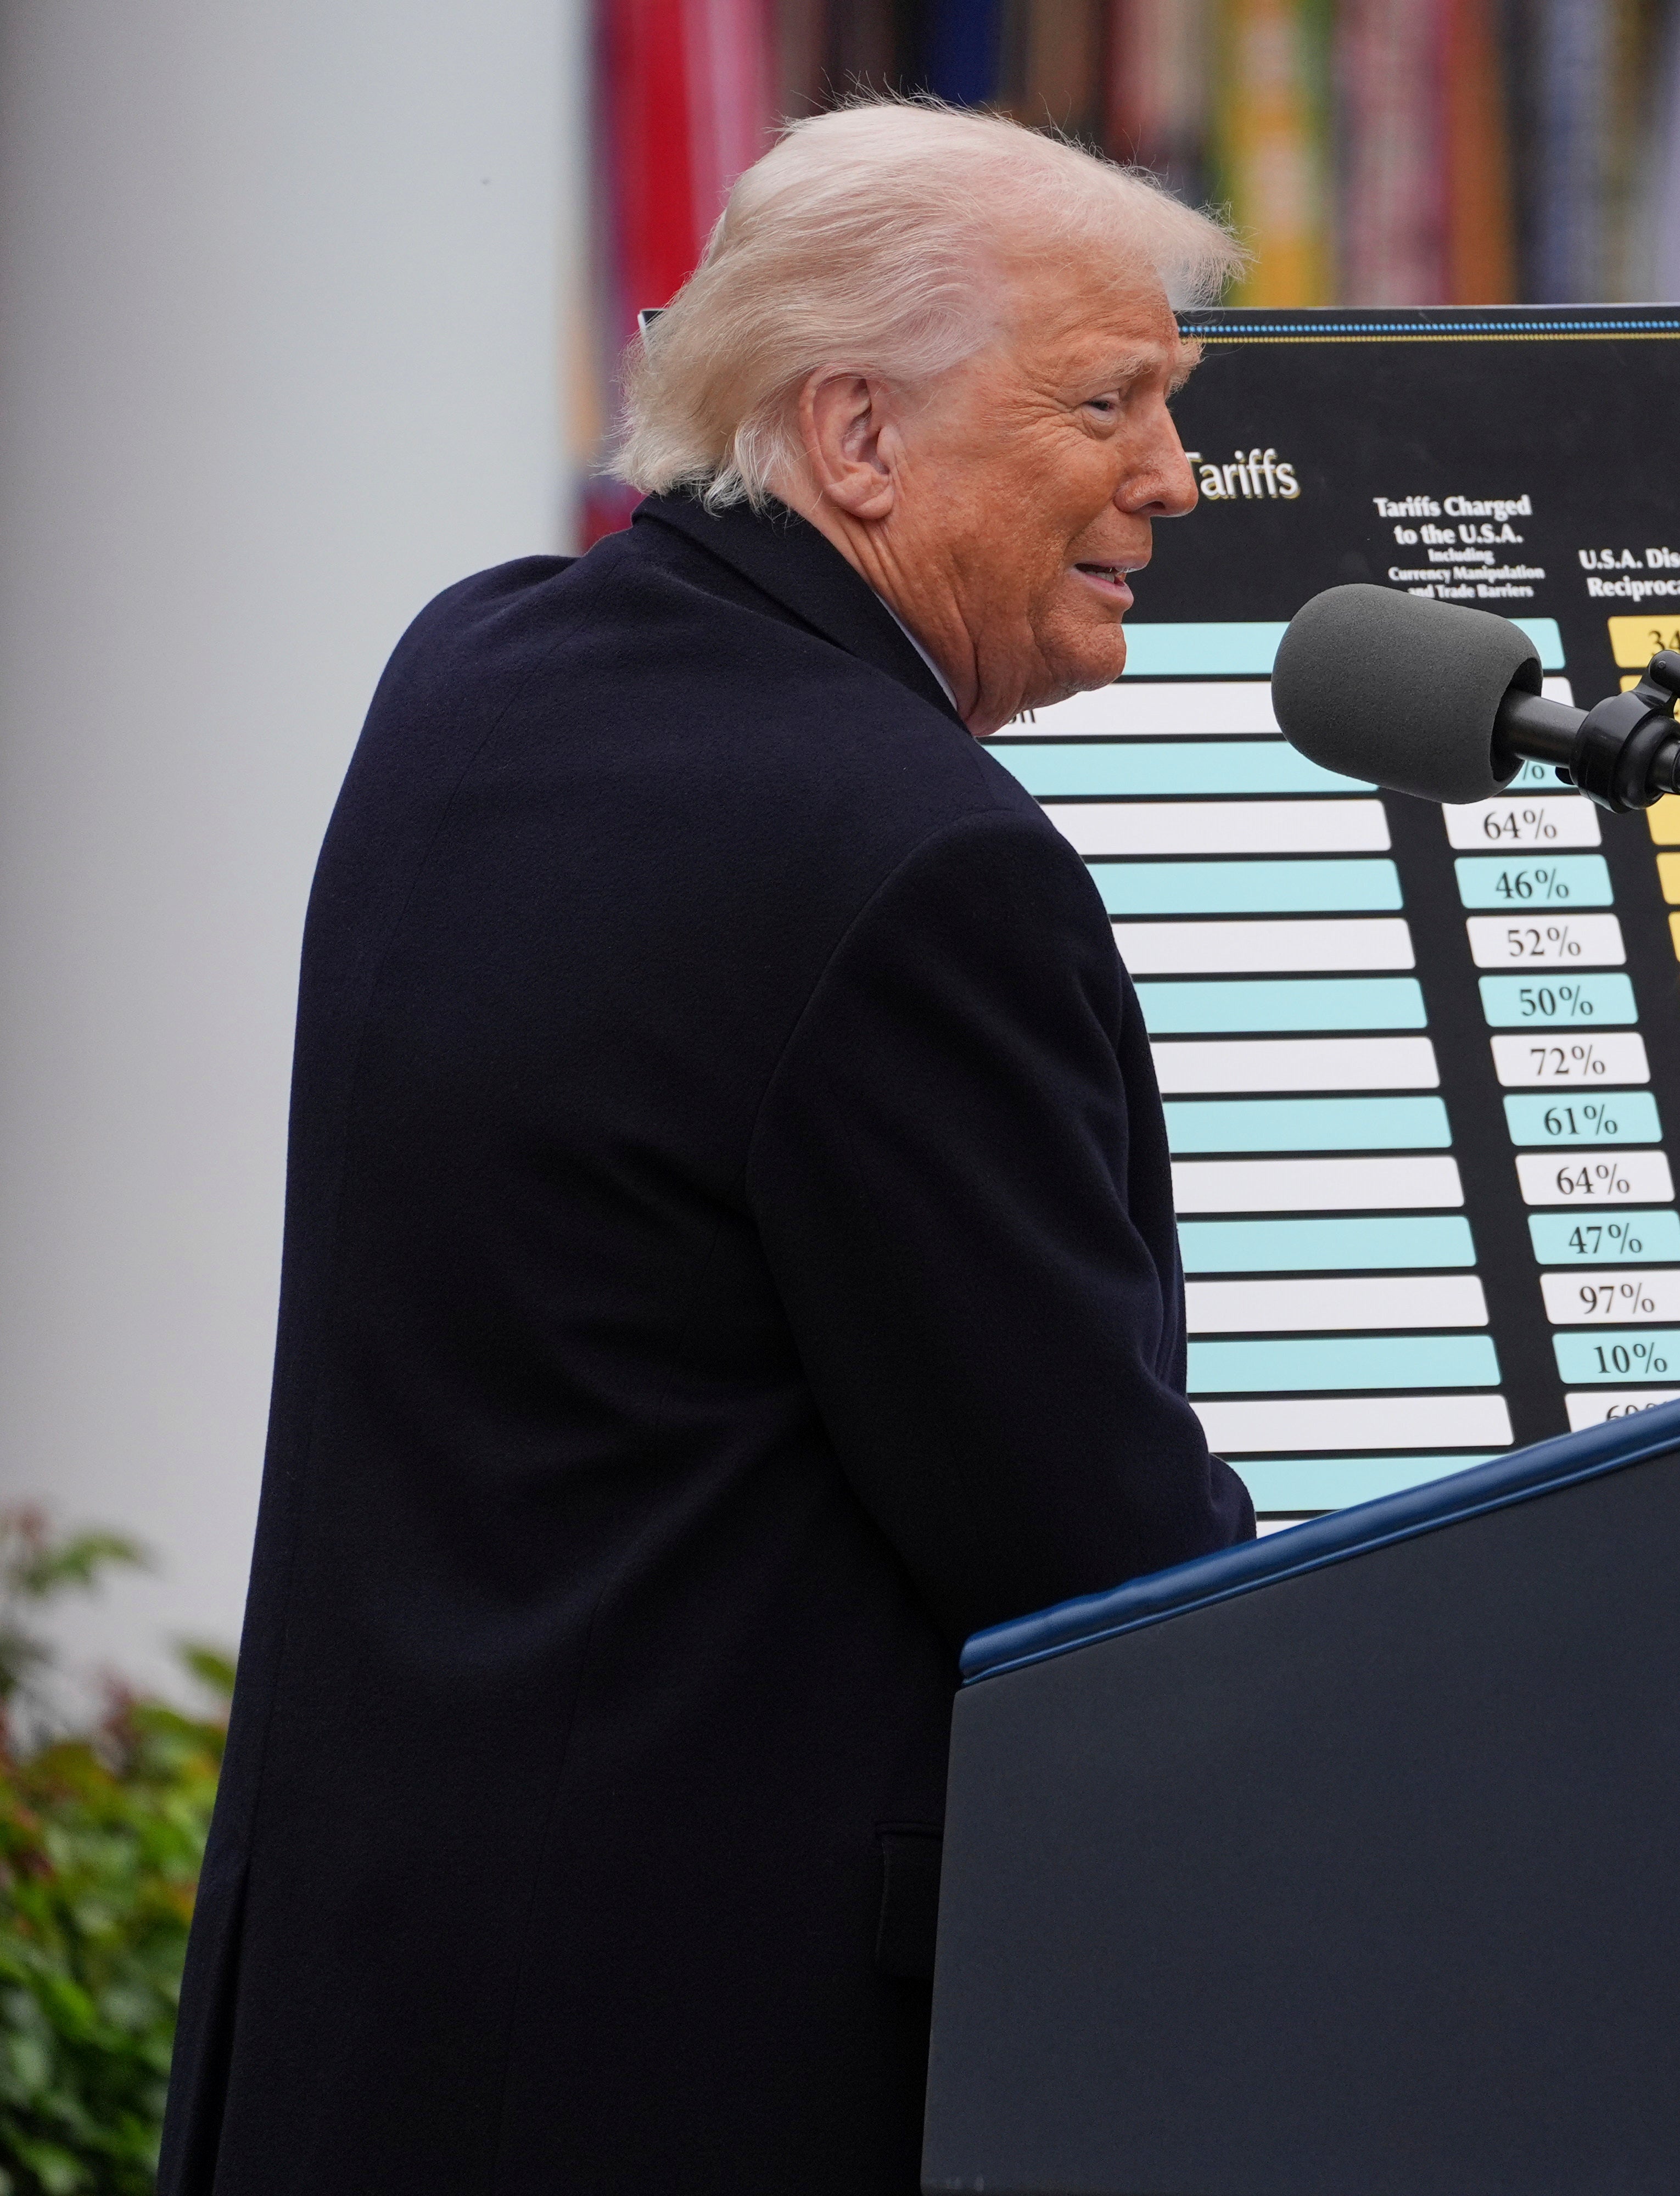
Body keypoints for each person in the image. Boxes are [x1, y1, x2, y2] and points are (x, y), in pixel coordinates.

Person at [160, 104, 1257, 2194]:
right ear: (854, 435)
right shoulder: (919, 862)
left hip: (365, 2017)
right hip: (700, 2065)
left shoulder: (473, 668)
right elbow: (1094, 1561)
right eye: (1105, 404)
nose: (1171, 480)